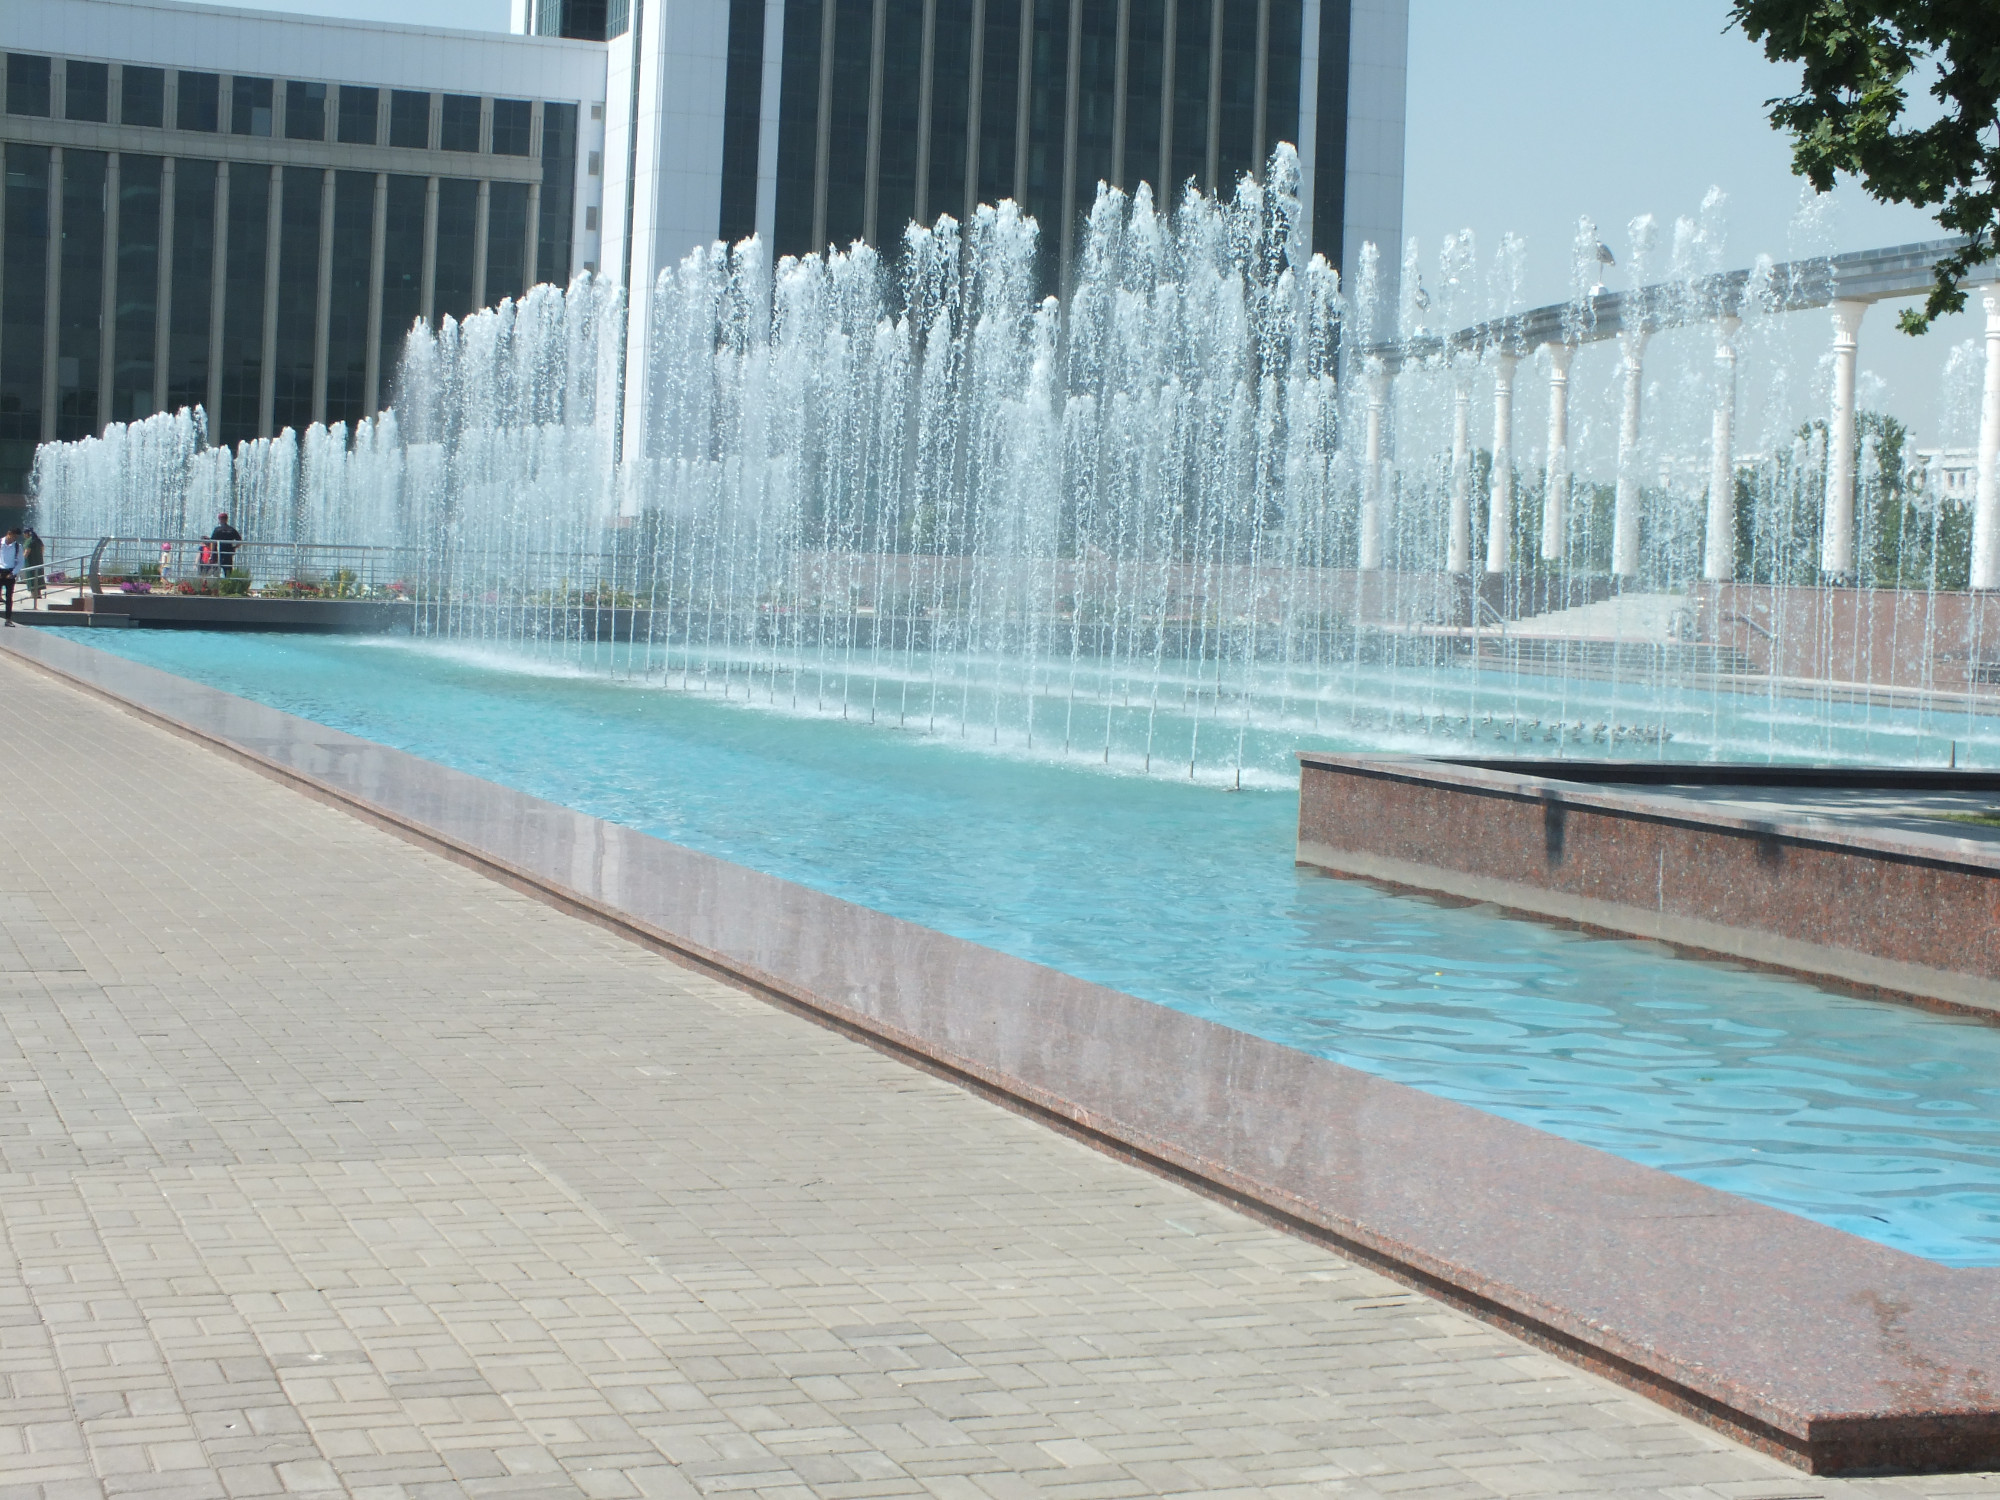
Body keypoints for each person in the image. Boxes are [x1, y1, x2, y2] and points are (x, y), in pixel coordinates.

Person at [0, 528, 21, 626]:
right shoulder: (0, 543)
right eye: (13, 536)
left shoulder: (17, 546)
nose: (14, 539)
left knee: (9, 597)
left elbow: (21, 562)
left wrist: (13, 573)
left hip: (10, 572)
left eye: (16, 537)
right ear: (8, 533)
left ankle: (8, 619)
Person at [210, 512, 241, 577]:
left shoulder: (217, 530)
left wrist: (212, 553)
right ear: (227, 519)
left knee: (216, 571)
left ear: (221, 519)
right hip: (229, 552)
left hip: (219, 553)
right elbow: (239, 541)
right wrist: (234, 547)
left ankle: (216, 585)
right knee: (228, 571)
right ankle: (228, 584)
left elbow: (213, 542)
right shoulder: (232, 530)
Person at [21, 527, 43, 607]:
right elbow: (43, 549)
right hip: (39, 561)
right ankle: (39, 594)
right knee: (39, 577)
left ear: (27, 533)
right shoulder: (38, 540)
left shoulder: (29, 541)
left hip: (31, 562)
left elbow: (27, 551)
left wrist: (21, 560)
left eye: (24, 533)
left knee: (31, 577)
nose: (23, 535)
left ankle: (33, 594)